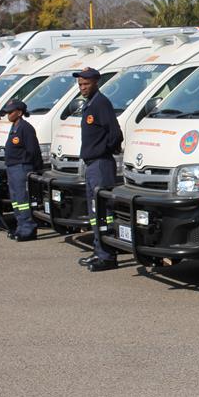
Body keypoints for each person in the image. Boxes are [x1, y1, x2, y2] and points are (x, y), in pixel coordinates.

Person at [73, 67, 124, 272]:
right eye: (80, 85)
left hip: (101, 164)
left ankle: (108, 255)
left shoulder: (101, 103)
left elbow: (115, 134)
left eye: (86, 84)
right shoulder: (90, 104)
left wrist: (104, 150)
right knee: (95, 211)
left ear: (96, 83)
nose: (82, 88)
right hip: (92, 164)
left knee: (104, 211)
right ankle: (99, 250)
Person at [1, 99, 42, 241]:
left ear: (19, 113)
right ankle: (20, 227)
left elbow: (33, 150)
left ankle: (28, 229)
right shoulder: (14, 127)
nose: (8, 115)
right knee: (16, 200)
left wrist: (36, 169)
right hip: (12, 168)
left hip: (22, 168)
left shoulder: (25, 128)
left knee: (23, 200)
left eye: (11, 112)